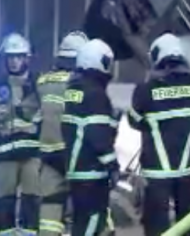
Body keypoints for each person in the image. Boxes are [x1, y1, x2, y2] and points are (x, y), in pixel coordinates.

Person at [128, 33, 190, 235]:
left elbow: (133, 121)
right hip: (186, 170)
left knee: (156, 226)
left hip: (156, 173)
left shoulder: (145, 90)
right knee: (189, 223)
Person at [0, 32, 41, 236]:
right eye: (10, 57)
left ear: (26, 58)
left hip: (32, 155)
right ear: (4, 59)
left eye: (18, 56)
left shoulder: (39, 85)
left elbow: (48, 115)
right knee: (5, 201)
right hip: (5, 156)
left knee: (31, 202)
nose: (14, 61)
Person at [62, 39, 118, 236]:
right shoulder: (95, 94)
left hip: (76, 169)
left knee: (81, 221)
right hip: (92, 172)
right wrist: (112, 165)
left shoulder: (73, 89)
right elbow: (98, 136)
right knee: (94, 219)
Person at [37, 31, 88, 236]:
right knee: (89, 202)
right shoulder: (82, 83)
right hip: (76, 153)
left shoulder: (42, 82)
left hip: (48, 153)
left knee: (50, 203)